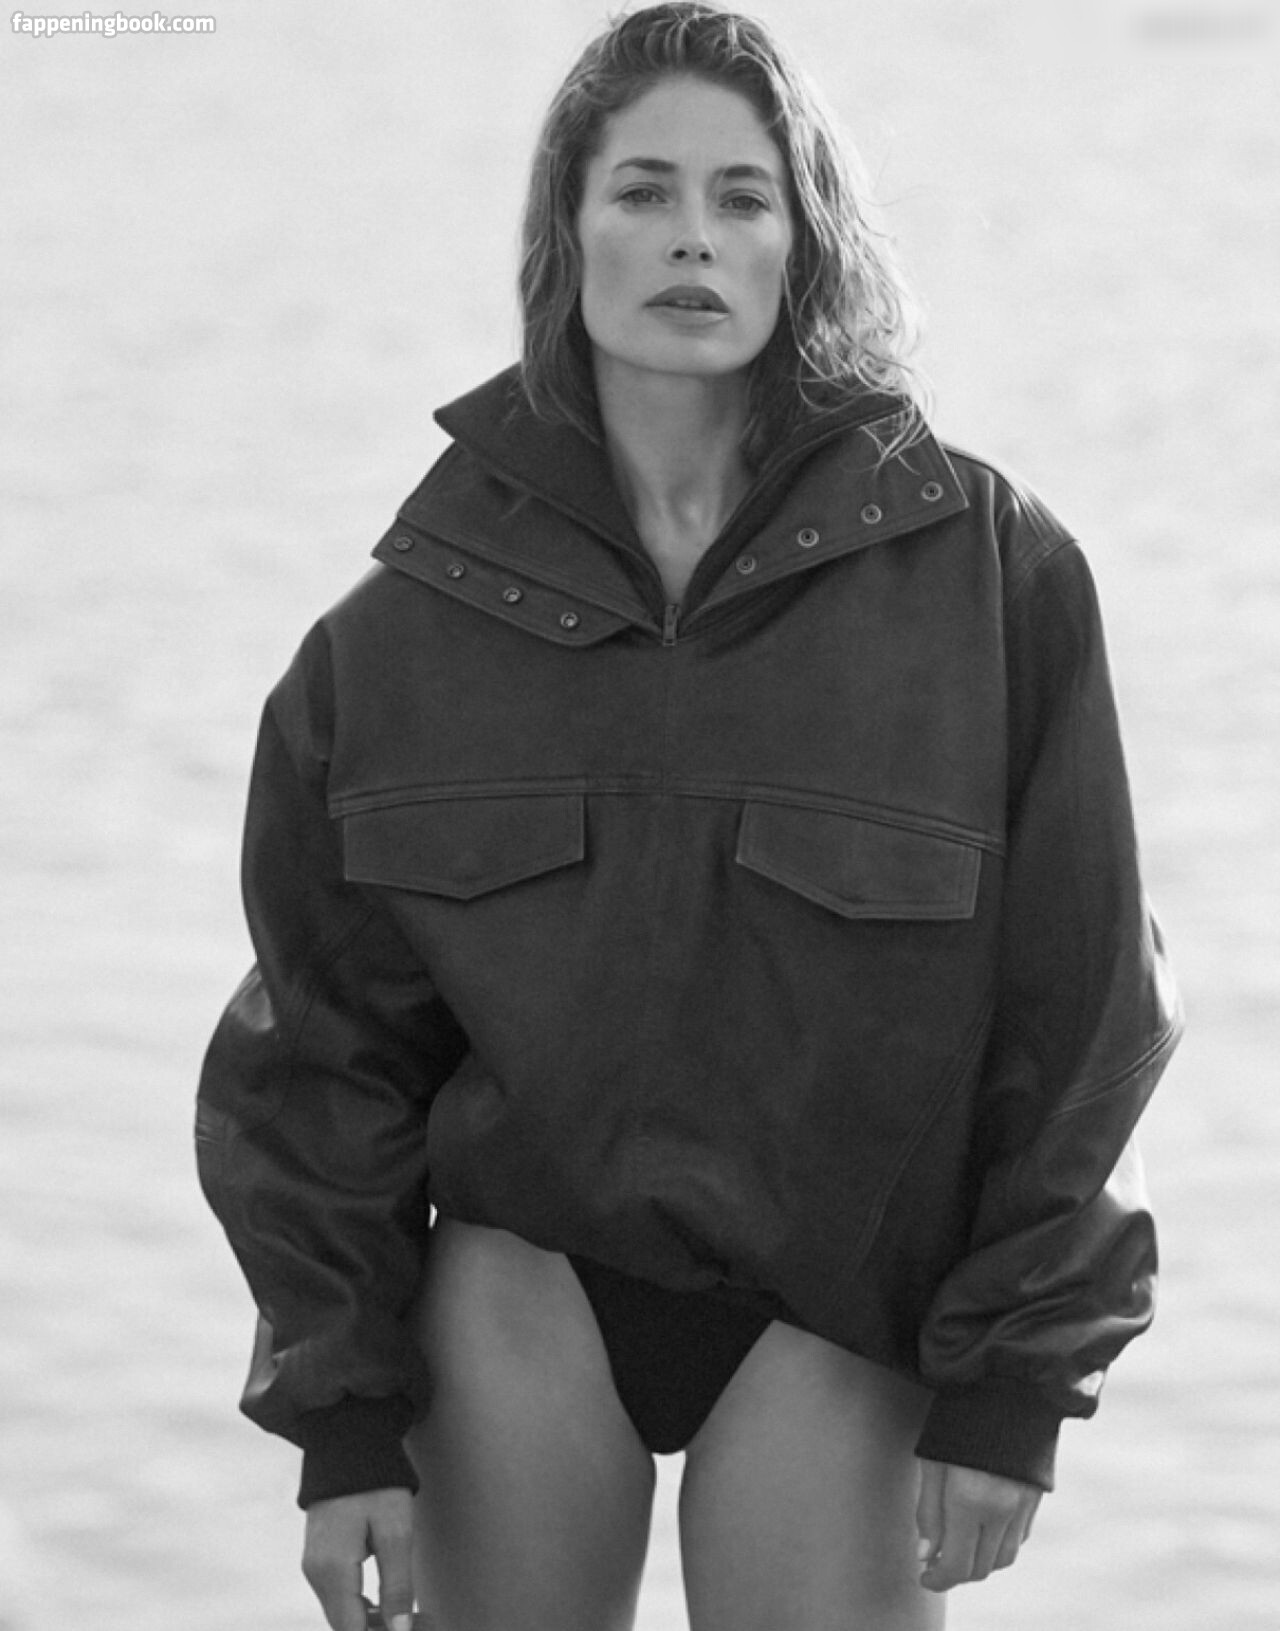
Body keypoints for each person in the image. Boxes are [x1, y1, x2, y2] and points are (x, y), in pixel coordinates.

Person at [196, 5, 1182, 1628]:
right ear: (566, 230)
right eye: (642, 191)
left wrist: (1017, 1380)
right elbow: (322, 1054)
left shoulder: (987, 578)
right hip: (521, 1283)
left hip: (841, 1298)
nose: (691, 239)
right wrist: (343, 1422)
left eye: (741, 197)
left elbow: (1082, 1011)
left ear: (804, 242)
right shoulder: (403, 633)